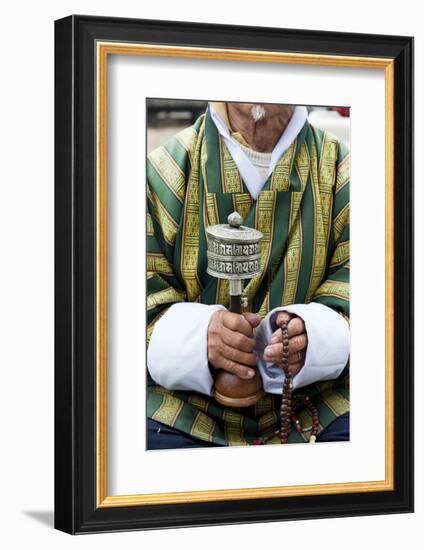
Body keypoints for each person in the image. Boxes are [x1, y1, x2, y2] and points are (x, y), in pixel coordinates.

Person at [146, 101, 350, 449]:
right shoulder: (163, 171)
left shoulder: (344, 171)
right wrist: (199, 337)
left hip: (315, 403)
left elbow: (377, 296)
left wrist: (311, 335)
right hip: (183, 408)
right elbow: (130, 305)